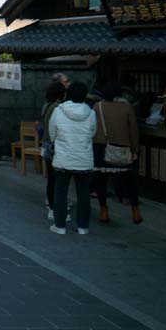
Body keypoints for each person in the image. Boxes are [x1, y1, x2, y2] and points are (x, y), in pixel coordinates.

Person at [48, 81, 96, 235]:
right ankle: (83, 227)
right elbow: (92, 133)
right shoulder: (91, 113)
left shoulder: (58, 111)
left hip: (63, 157)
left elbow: (52, 133)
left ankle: (60, 226)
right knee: (83, 194)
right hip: (84, 158)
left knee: (60, 192)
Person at [93, 82, 142, 225]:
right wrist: (135, 150)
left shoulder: (98, 106)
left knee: (101, 181)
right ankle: (135, 210)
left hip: (101, 147)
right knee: (130, 181)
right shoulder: (127, 108)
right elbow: (133, 130)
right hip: (123, 147)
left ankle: (104, 210)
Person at [40, 80, 66, 222]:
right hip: (53, 145)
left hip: (46, 144)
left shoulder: (46, 105)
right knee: (56, 178)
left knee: (52, 177)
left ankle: (51, 203)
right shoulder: (57, 107)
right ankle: (53, 205)